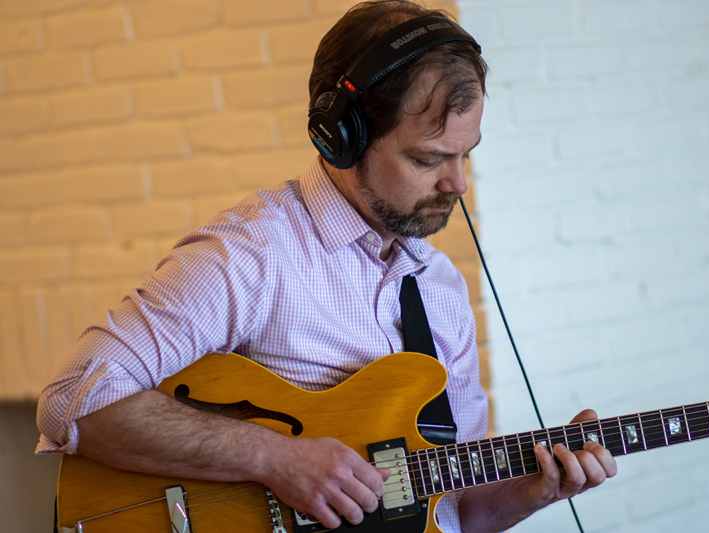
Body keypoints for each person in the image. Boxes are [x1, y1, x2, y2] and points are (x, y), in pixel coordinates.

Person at [36, 2, 616, 532]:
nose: (456, 184)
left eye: (467, 154)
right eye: (427, 158)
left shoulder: (439, 290)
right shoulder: (253, 254)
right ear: (341, 138)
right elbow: (74, 399)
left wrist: (535, 490)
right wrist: (273, 458)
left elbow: (455, 512)